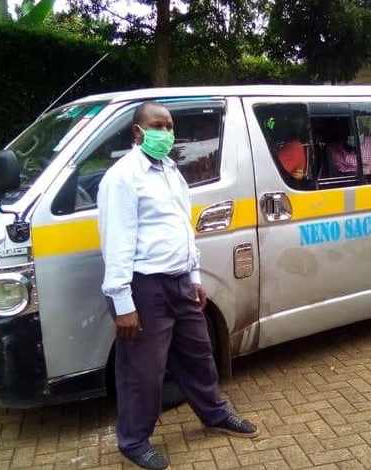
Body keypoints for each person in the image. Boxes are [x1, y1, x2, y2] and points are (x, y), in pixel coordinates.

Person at [97, 102, 258, 470]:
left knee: (199, 354)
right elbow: (116, 241)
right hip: (144, 287)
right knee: (143, 370)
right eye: (157, 125)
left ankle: (214, 413)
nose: (166, 132)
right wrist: (123, 303)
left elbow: (184, 229)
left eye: (169, 125)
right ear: (137, 133)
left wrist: (195, 276)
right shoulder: (122, 177)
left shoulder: (171, 171)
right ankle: (134, 440)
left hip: (180, 281)